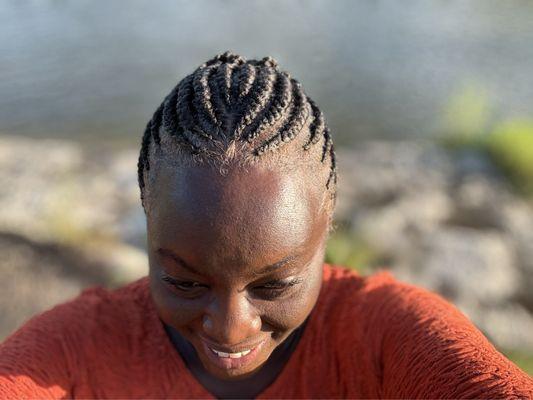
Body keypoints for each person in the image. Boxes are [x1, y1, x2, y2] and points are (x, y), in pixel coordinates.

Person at [0, 51, 531, 399]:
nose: (231, 329)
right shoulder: (74, 353)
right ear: (147, 213)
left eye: (274, 285)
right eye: (185, 282)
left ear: (328, 223)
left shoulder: (386, 339)